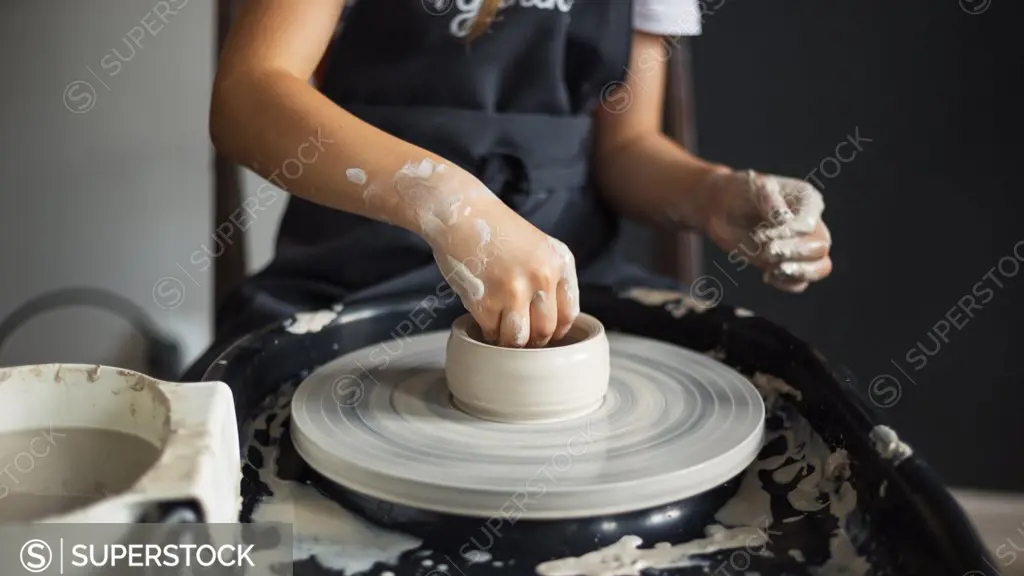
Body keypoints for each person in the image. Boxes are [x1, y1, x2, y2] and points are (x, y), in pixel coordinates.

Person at [205, 0, 832, 355]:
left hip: (569, 288)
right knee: (239, 480)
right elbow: (247, 96)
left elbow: (629, 146)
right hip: (353, 276)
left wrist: (715, 193)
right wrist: (446, 202)